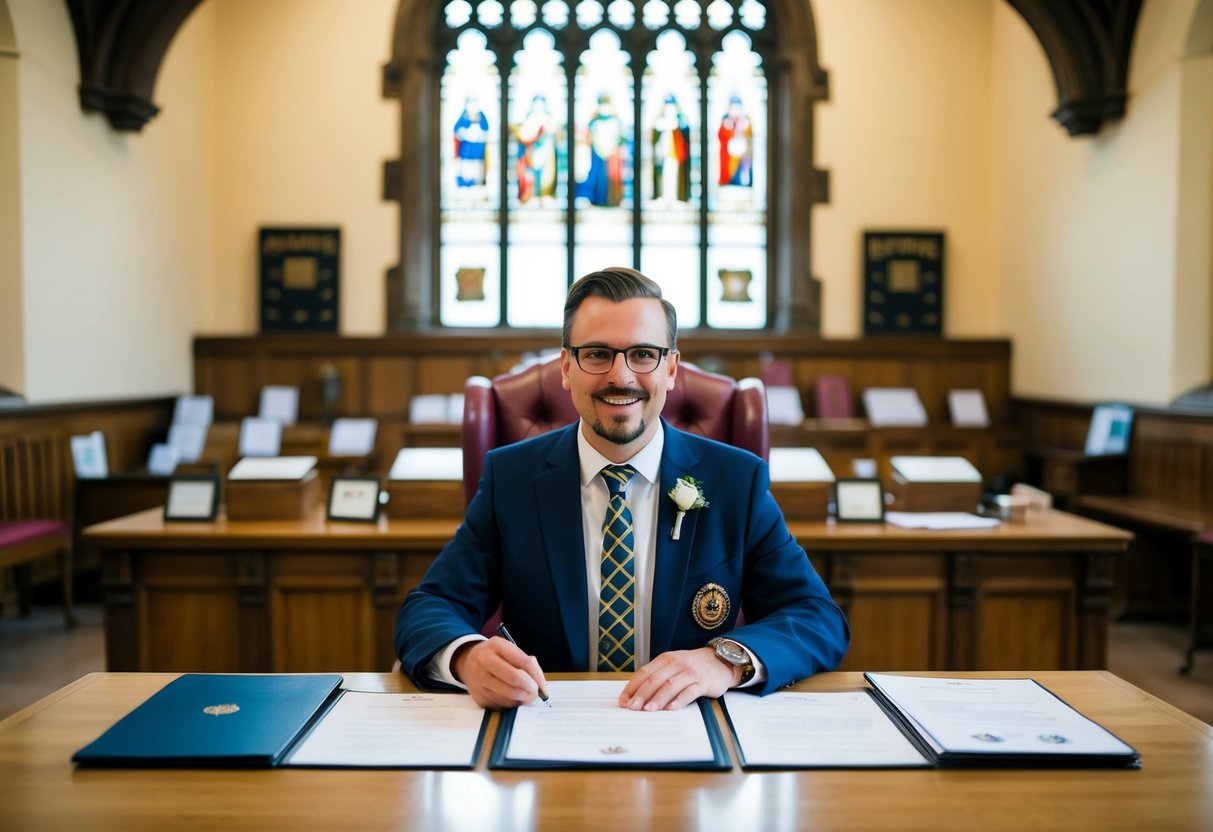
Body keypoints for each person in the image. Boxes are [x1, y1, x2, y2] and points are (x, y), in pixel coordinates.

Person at [395, 267, 849, 711]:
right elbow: (430, 607)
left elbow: (817, 618)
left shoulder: (736, 481)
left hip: (690, 733)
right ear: (566, 368)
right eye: (596, 354)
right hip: (548, 730)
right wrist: (467, 657)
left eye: (643, 354)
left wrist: (722, 662)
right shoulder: (511, 479)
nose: (621, 376)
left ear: (670, 368)